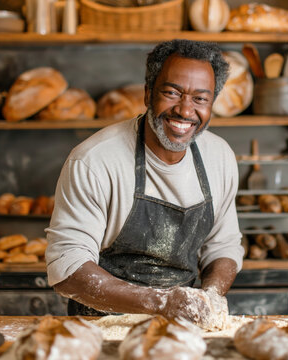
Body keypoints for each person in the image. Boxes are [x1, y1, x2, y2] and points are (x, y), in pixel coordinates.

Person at [45, 39, 244, 324]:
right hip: (101, 325)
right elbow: (68, 268)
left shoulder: (219, 157)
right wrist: (161, 302)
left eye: (200, 98)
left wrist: (209, 297)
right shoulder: (94, 160)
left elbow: (223, 246)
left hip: (181, 325)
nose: (186, 111)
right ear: (148, 93)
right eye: (172, 93)